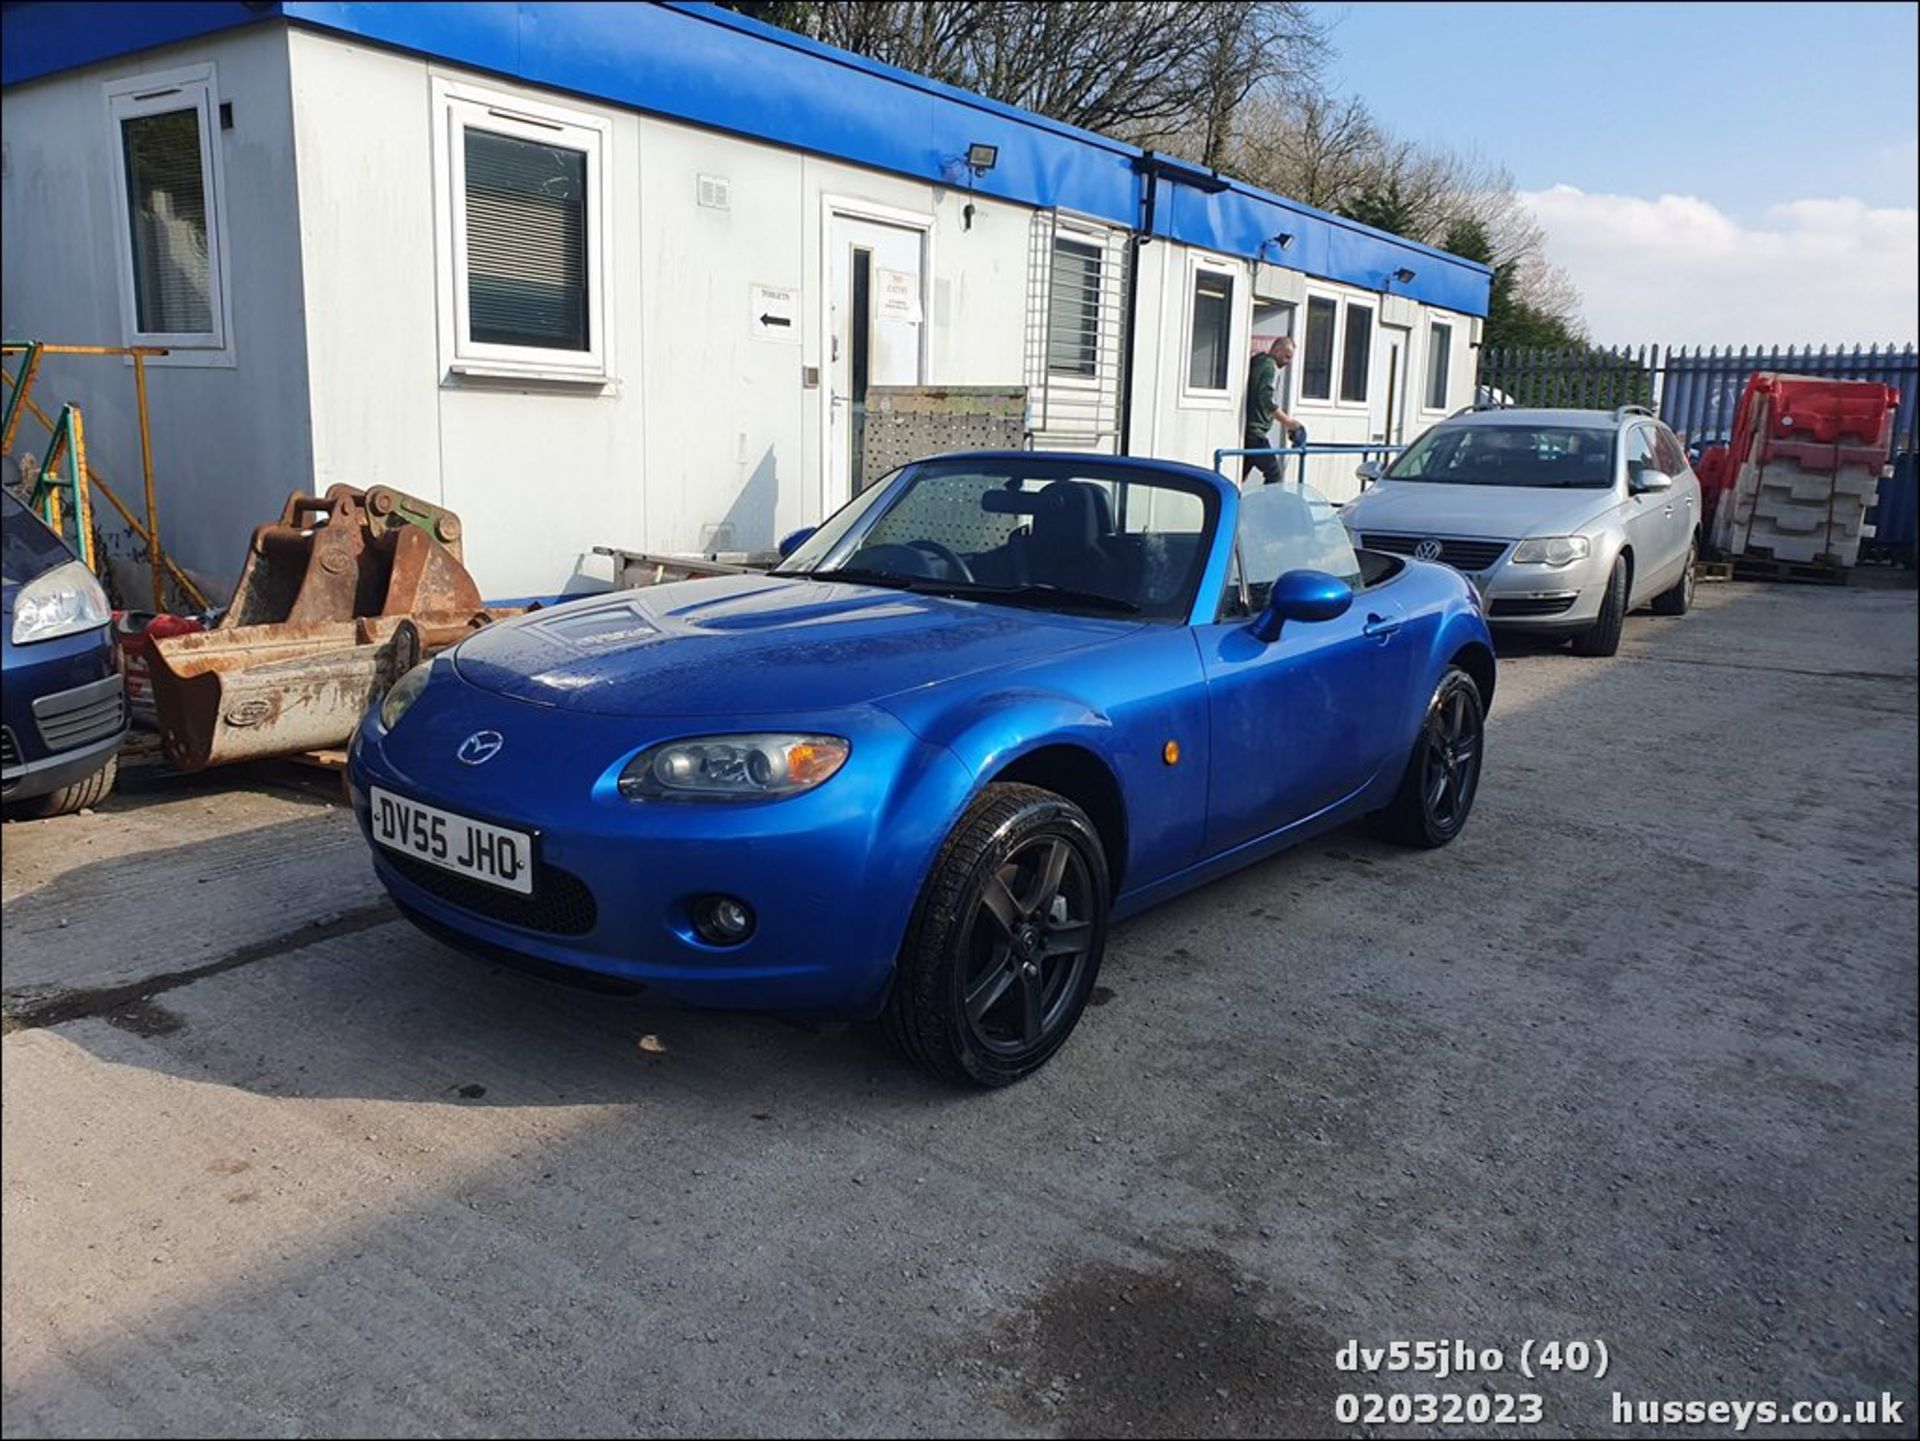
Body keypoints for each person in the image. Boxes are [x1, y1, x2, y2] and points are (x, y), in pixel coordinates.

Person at [1244, 334, 1306, 485]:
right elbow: (1267, 401)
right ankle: (1266, 507)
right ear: (1277, 350)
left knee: (1239, 475)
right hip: (1255, 432)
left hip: (1249, 430)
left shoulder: (1258, 362)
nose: (1288, 362)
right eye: (1287, 357)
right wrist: (1289, 423)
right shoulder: (1268, 367)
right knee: (1274, 473)